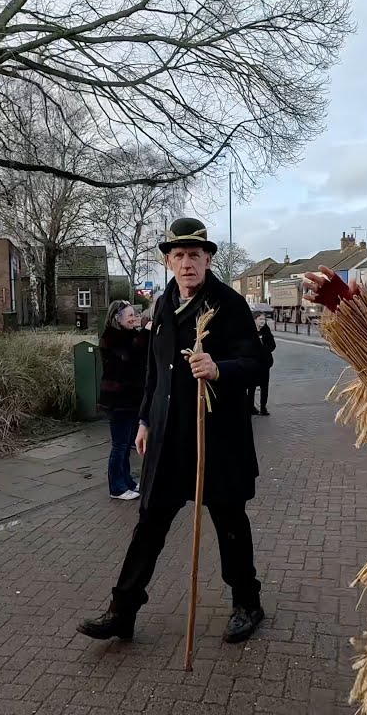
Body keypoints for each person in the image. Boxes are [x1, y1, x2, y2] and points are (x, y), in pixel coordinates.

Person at [77, 217, 268, 644]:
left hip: (216, 437)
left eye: (195, 256)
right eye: (178, 256)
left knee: (230, 523)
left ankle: (247, 602)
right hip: (167, 438)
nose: (187, 264)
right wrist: (145, 419)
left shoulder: (229, 304)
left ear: (208, 259)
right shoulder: (163, 304)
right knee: (149, 523)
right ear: (168, 261)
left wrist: (221, 369)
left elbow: (259, 363)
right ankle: (122, 610)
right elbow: (154, 371)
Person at [98, 300, 149, 501]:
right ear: (118, 319)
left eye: (135, 315)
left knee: (127, 443)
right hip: (117, 401)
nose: (134, 319)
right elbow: (129, 355)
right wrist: (145, 332)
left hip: (129, 400)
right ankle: (116, 487)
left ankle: (126, 481)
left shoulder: (130, 336)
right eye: (130, 316)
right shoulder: (111, 338)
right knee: (119, 445)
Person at [248, 314, 276, 416]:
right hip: (253, 363)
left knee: (264, 386)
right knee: (251, 386)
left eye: (264, 319)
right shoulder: (249, 330)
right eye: (260, 319)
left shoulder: (266, 330)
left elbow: (272, 345)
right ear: (255, 320)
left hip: (264, 363)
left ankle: (263, 408)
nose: (262, 321)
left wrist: (263, 350)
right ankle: (250, 407)